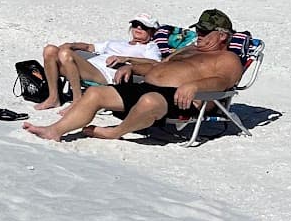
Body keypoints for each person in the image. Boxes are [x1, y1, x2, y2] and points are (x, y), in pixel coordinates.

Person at [25, 10, 246, 142]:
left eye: (205, 32)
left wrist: (195, 86)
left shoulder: (228, 58)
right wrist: (133, 68)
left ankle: (116, 132)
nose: (199, 35)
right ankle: (54, 131)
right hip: (146, 86)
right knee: (94, 93)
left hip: (182, 98)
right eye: (198, 30)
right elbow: (160, 68)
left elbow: (223, 82)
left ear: (223, 36)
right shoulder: (188, 49)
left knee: (149, 102)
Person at [35, 14, 163, 110]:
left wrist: (127, 59)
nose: (138, 27)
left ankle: (77, 101)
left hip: (104, 74)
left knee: (65, 54)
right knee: (50, 50)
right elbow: (90, 47)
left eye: (144, 26)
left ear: (152, 31)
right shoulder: (117, 42)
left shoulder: (150, 47)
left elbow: (154, 63)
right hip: (89, 66)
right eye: (135, 24)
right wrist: (72, 44)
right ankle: (53, 98)